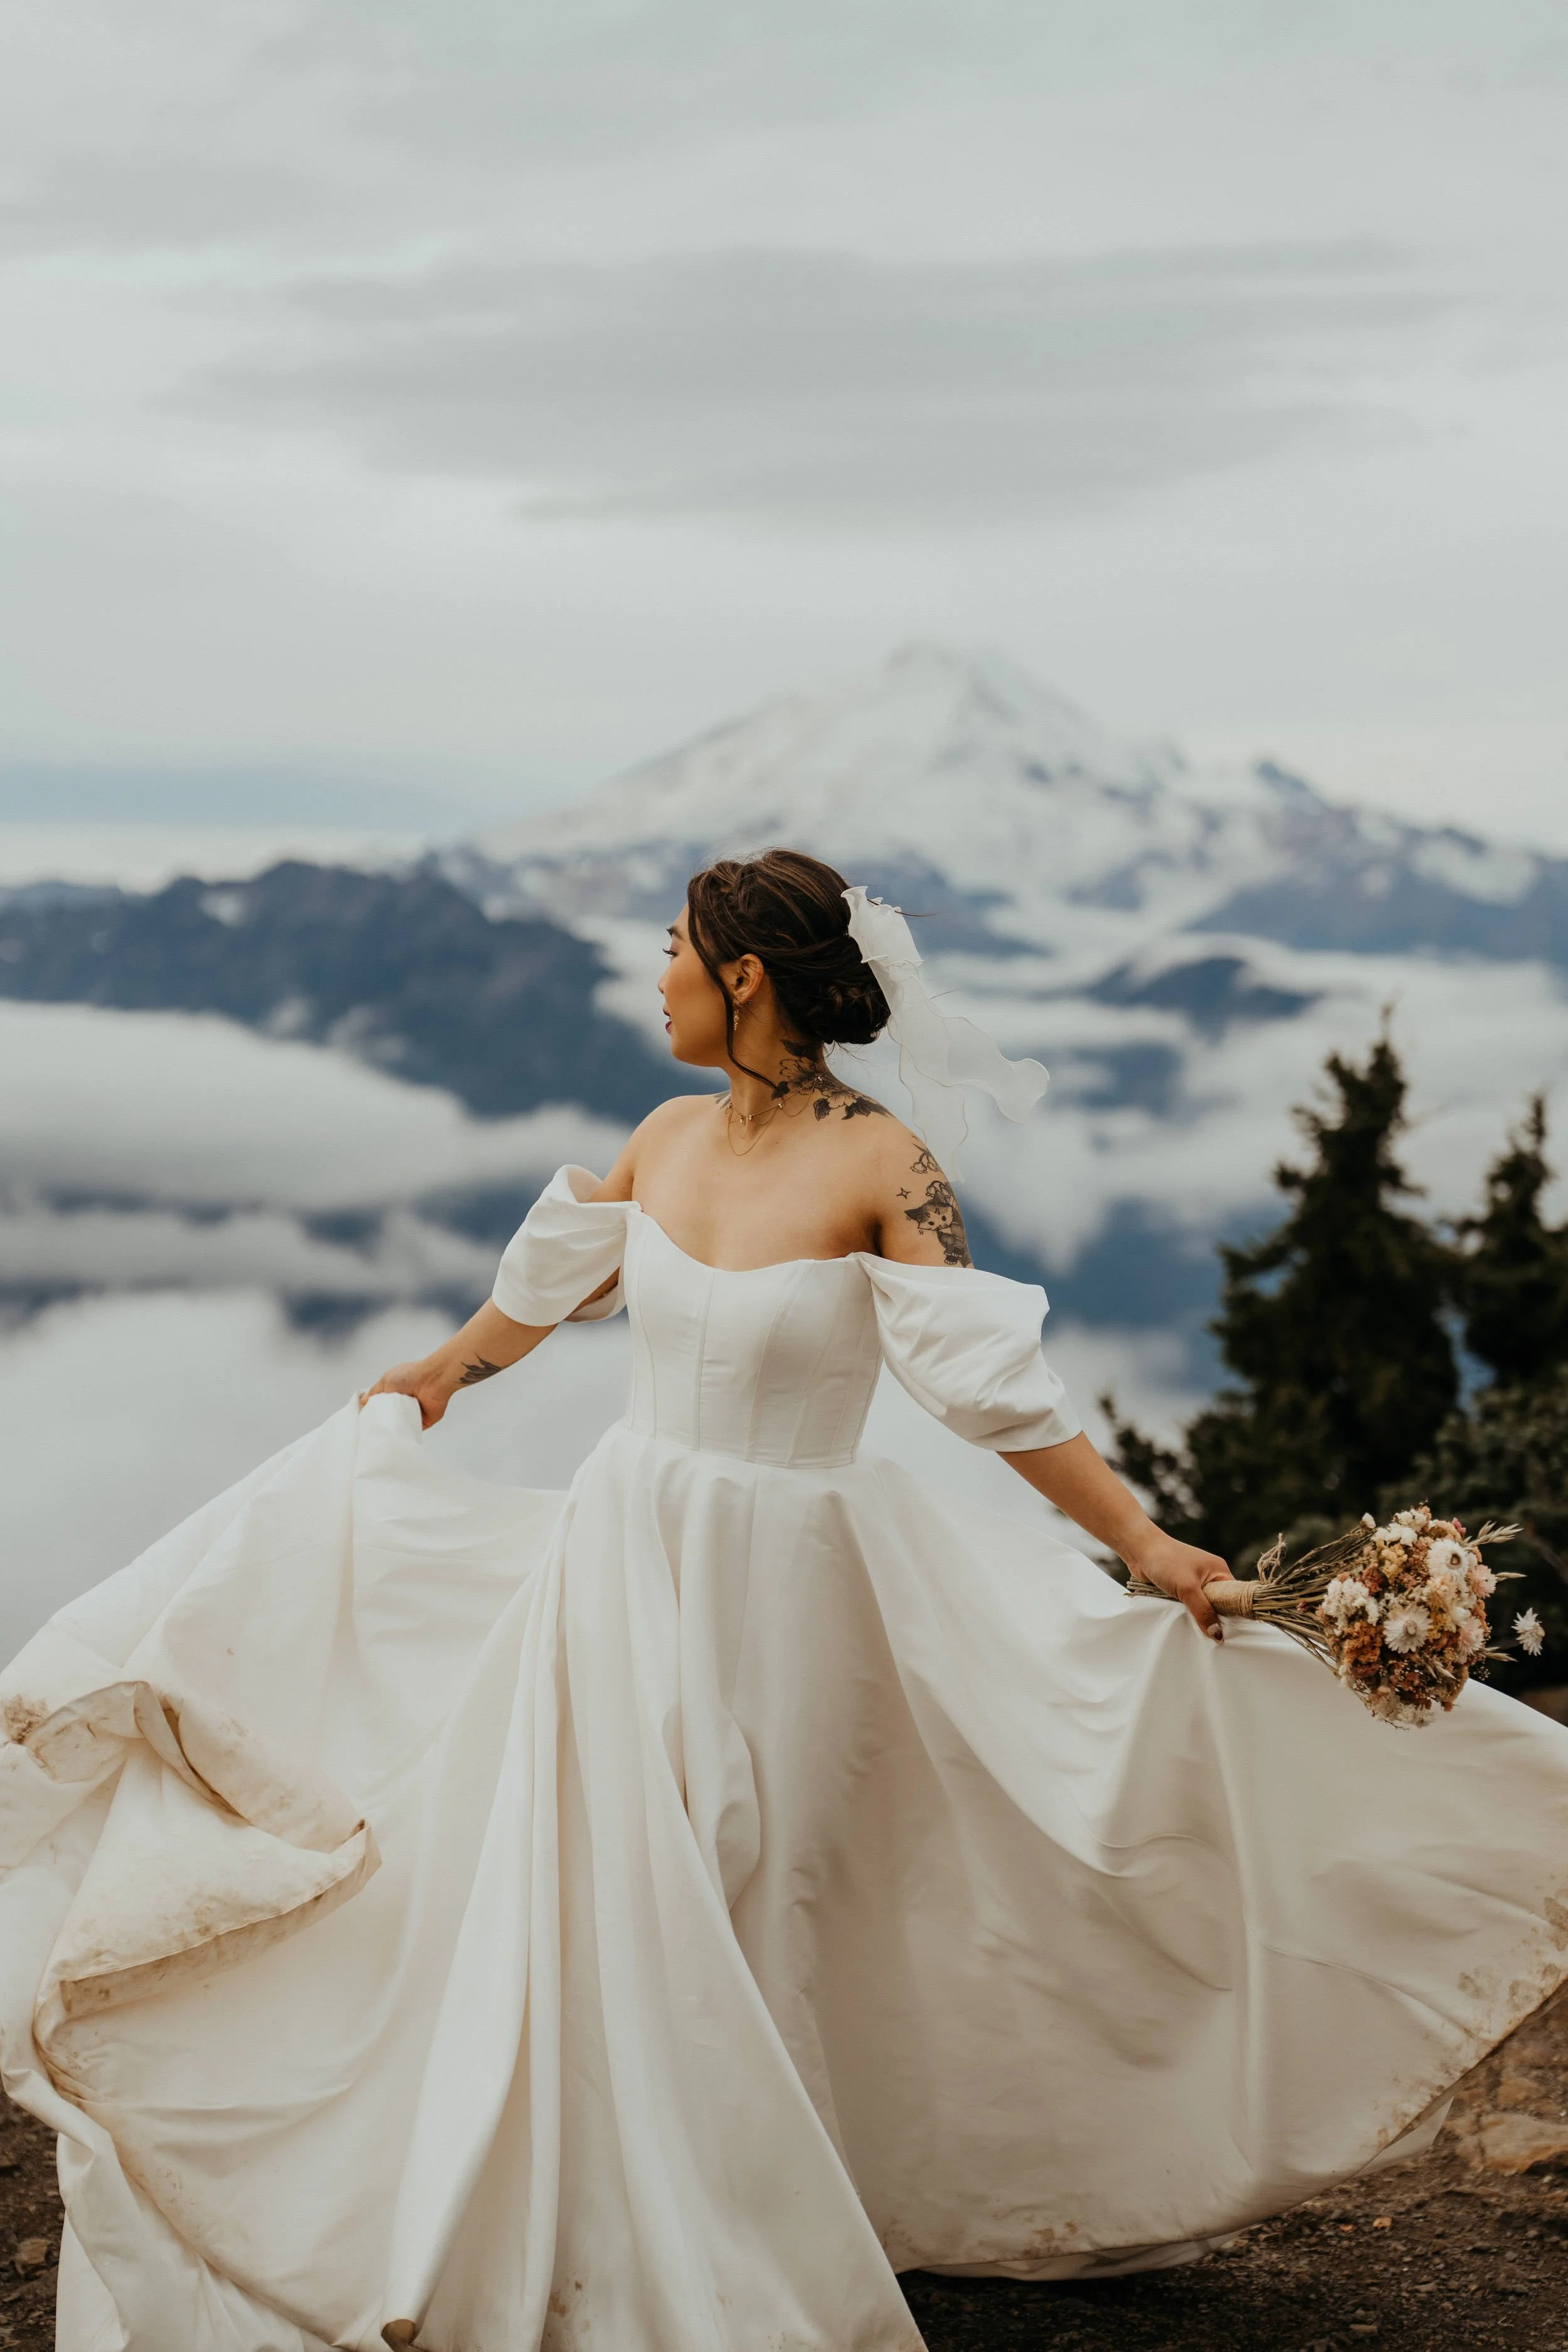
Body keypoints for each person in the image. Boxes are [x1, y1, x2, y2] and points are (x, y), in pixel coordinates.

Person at [1, 848, 1564, 2352]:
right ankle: (641, 2193)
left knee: (772, 1879)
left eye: (673, 957)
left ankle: (786, 2178)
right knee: (619, 1873)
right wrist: (438, 1377)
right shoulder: (661, 1141)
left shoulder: (888, 1165)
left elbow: (993, 1395)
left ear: (743, 976)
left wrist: (1146, 1546)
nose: (656, 983)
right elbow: (547, 1292)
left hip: (799, 1583)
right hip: (620, 1558)